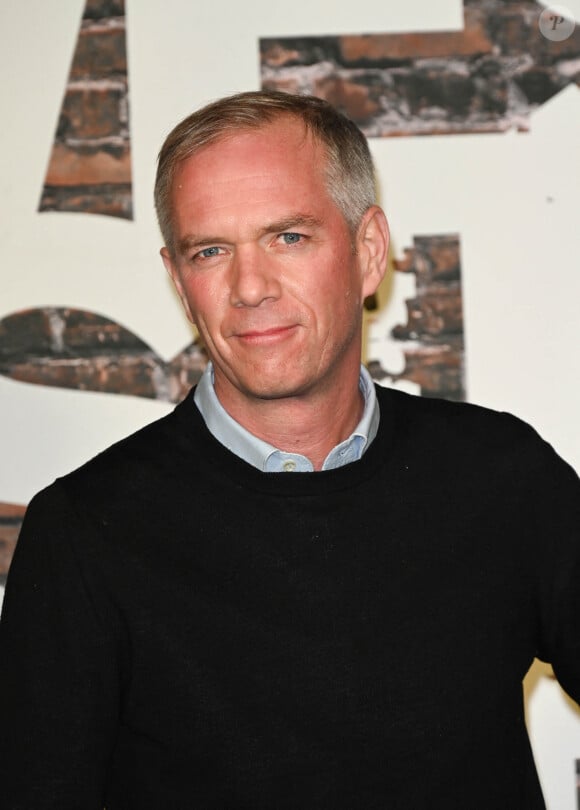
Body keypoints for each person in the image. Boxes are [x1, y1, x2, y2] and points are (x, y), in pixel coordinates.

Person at [0, 90, 578, 809]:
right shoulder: (84, 533)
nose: (248, 288)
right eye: (210, 251)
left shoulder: (503, 476)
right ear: (180, 280)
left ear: (369, 253)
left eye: (288, 237)